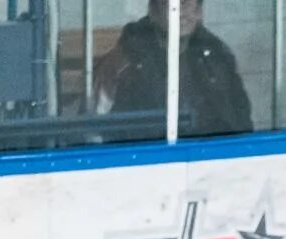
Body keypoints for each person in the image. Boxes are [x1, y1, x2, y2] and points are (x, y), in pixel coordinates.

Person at [93, 0, 254, 137]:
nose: (181, 7)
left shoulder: (217, 57)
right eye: (172, 1)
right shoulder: (124, 59)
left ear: (199, 11)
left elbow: (240, 122)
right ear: (153, 10)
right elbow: (96, 128)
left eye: (189, 1)